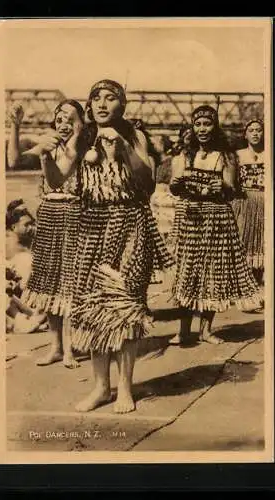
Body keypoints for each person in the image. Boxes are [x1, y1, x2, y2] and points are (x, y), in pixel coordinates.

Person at [70, 79, 174, 413]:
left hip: (131, 223)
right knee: (91, 305)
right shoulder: (83, 136)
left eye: (110, 98)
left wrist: (124, 151)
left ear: (122, 105)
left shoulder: (135, 136)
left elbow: (147, 184)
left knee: (127, 304)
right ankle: (101, 387)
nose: (102, 104)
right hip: (91, 226)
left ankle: (126, 388)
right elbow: (60, 180)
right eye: (96, 97)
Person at [168, 105, 261, 346]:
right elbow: (174, 187)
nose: (202, 129)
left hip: (218, 219)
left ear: (215, 126)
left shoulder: (227, 156)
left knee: (213, 274)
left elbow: (232, 190)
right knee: (187, 272)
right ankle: (183, 330)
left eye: (207, 124)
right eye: (198, 124)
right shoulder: (184, 156)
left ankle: (206, 331)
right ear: (192, 127)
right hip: (191, 218)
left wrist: (224, 187)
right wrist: (178, 184)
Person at [7, 99, 87, 367]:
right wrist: (15, 127)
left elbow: (58, 178)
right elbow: (14, 160)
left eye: (71, 119)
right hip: (49, 216)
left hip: (75, 217)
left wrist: (63, 144)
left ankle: (71, 349)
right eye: (60, 118)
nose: (64, 124)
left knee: (71, 284)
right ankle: (55, 346)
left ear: (81, 122)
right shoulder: (49, 143)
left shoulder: (84, 146)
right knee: (50, 284)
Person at [232, 119, 265, 288]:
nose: (255, 133)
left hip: (263, 203)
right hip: (243, 203)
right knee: (242, 242)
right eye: (251, 130)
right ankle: (242, 287)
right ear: (245, 134)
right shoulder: (238, 155)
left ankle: (257, 286)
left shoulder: (270, 154)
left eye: (258, 130)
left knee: (260, 243)